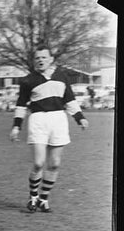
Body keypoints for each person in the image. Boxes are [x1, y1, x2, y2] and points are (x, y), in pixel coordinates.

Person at [9, 45, 89, 213]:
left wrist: (80, 118)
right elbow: (21, 105)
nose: (40, 60)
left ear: (51, 59)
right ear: (34, 61)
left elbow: (69, 99)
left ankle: (44, 199)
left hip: (58, 119)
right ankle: (33, 197)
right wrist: (16, 126)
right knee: (38, 163)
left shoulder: (62, 76)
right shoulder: (28, 80)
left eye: (44, 57)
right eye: (37, 58)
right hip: (38, 119)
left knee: (54, 164)